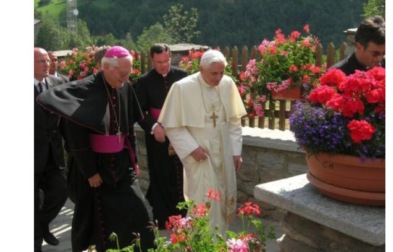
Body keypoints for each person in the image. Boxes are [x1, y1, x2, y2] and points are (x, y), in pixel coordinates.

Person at [37, 46, 155, 252]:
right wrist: (90, 172)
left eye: (129, 73)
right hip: (95, 167)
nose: (126, 78)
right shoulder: (84, 91)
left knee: (137, 209)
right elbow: (77, 138)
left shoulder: (125, 86)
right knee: (98, 217)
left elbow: (128, 129)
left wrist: (134, 159)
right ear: (106, 67)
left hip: (121, 163)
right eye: (122, 73)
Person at [158, 49, 247, 235]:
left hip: (224, 149)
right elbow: (173, 126)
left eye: (222, 72)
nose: (219, 77)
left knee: (223, 197)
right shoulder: (182, 88)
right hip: (201, 152)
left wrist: (236, 152)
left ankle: (220, 241)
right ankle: (202, 241)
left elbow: (233, 121)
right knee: (204, 198)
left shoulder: (227, 84)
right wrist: (192, 149)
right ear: (201, 69)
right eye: (214, 73)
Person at [136, 43, 188, 229]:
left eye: (166, 61)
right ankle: (164, 218)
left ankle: (185, 216)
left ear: (170, 56)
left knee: (182, 175)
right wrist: (154, 126)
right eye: (159, 62)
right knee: (161, 176)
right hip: (158, 137)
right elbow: (139, 112)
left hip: (181, 134)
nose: (163, 65)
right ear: (152, 60)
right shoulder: (144, 81)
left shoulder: (183, 77)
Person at [34, 47, 68, 252]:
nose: (47, 64)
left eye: (47, 60)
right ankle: (34, 244)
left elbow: (66, 118)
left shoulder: (59, 84)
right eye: (41, 61)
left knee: (60, 192)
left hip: (54, 155)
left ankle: (41, 225)